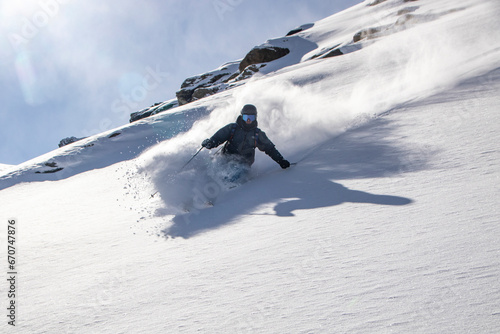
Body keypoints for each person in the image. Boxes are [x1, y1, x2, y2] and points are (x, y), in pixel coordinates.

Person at [201, 104, 290, 181]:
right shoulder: (232, 128)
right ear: (242, 116)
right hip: (225, 157)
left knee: (232, 176)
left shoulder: (257, 134)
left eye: (251, 117)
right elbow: (218, 137)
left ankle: (225, 195)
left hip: (242, 164)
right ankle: (203, 190)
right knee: (211, 168)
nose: (248, 120)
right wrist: (210, 143)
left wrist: (281, 161)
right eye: (246, 117)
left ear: (255, 117)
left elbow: (270, 149)